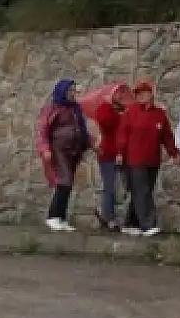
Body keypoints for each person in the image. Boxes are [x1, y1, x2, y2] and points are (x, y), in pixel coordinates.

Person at [117, 81, 176, 236]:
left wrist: (173, 153)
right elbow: (123, 134)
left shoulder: (159, 114)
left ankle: (131, 223)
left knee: (143, 191)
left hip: (152, 160)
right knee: (142, 191)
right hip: (134, 160)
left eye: (144, 92)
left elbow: (167, 136)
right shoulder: (130, 113)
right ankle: (148, 224)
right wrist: (120, 153)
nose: (141, 96)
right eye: (138, 93)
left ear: (151, 94)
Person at [37, 78, 91, 232]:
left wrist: (91, 144)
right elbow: (42, 130)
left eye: (74, 90)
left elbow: (81, 130)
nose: (73, 93)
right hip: (58, 150)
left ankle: (61, 217)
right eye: (70, 91)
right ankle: (53, 216)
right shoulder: (53, 109)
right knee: (64, 181)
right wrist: (45, 149)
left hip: (73, 152)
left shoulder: (75, 109)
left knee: (68, 183)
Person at [92, 83, 129, 230]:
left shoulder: (124, 111)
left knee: (120, 188)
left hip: (122, 154)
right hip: (108, 153)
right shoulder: (104, 108)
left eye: (122, 94)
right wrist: (117, 113)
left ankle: (106, 214)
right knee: (110, 187)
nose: (121, 96)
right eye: (118, 93)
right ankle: (109, 218)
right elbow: (104, 122)